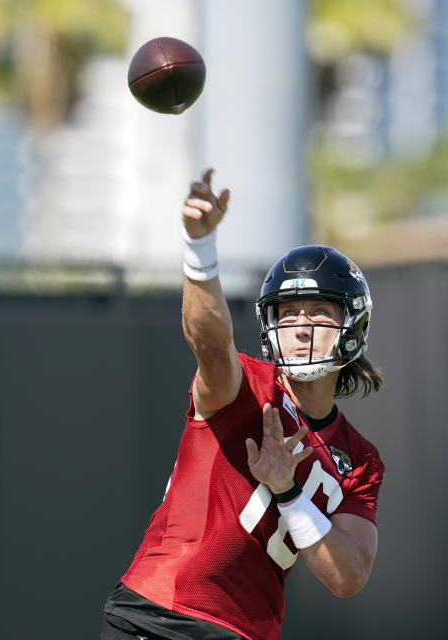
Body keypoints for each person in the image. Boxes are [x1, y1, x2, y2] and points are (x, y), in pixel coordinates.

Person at [101, 169, 385, 640]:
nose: (299, 325)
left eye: (317, 310)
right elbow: (211, 345)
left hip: (245, 632)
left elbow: (348, 576)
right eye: (287, 313)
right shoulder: (246, 385)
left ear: (351, 326)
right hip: (160, 614)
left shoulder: (360, 458)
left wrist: (289, 491)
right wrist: (200, 249)